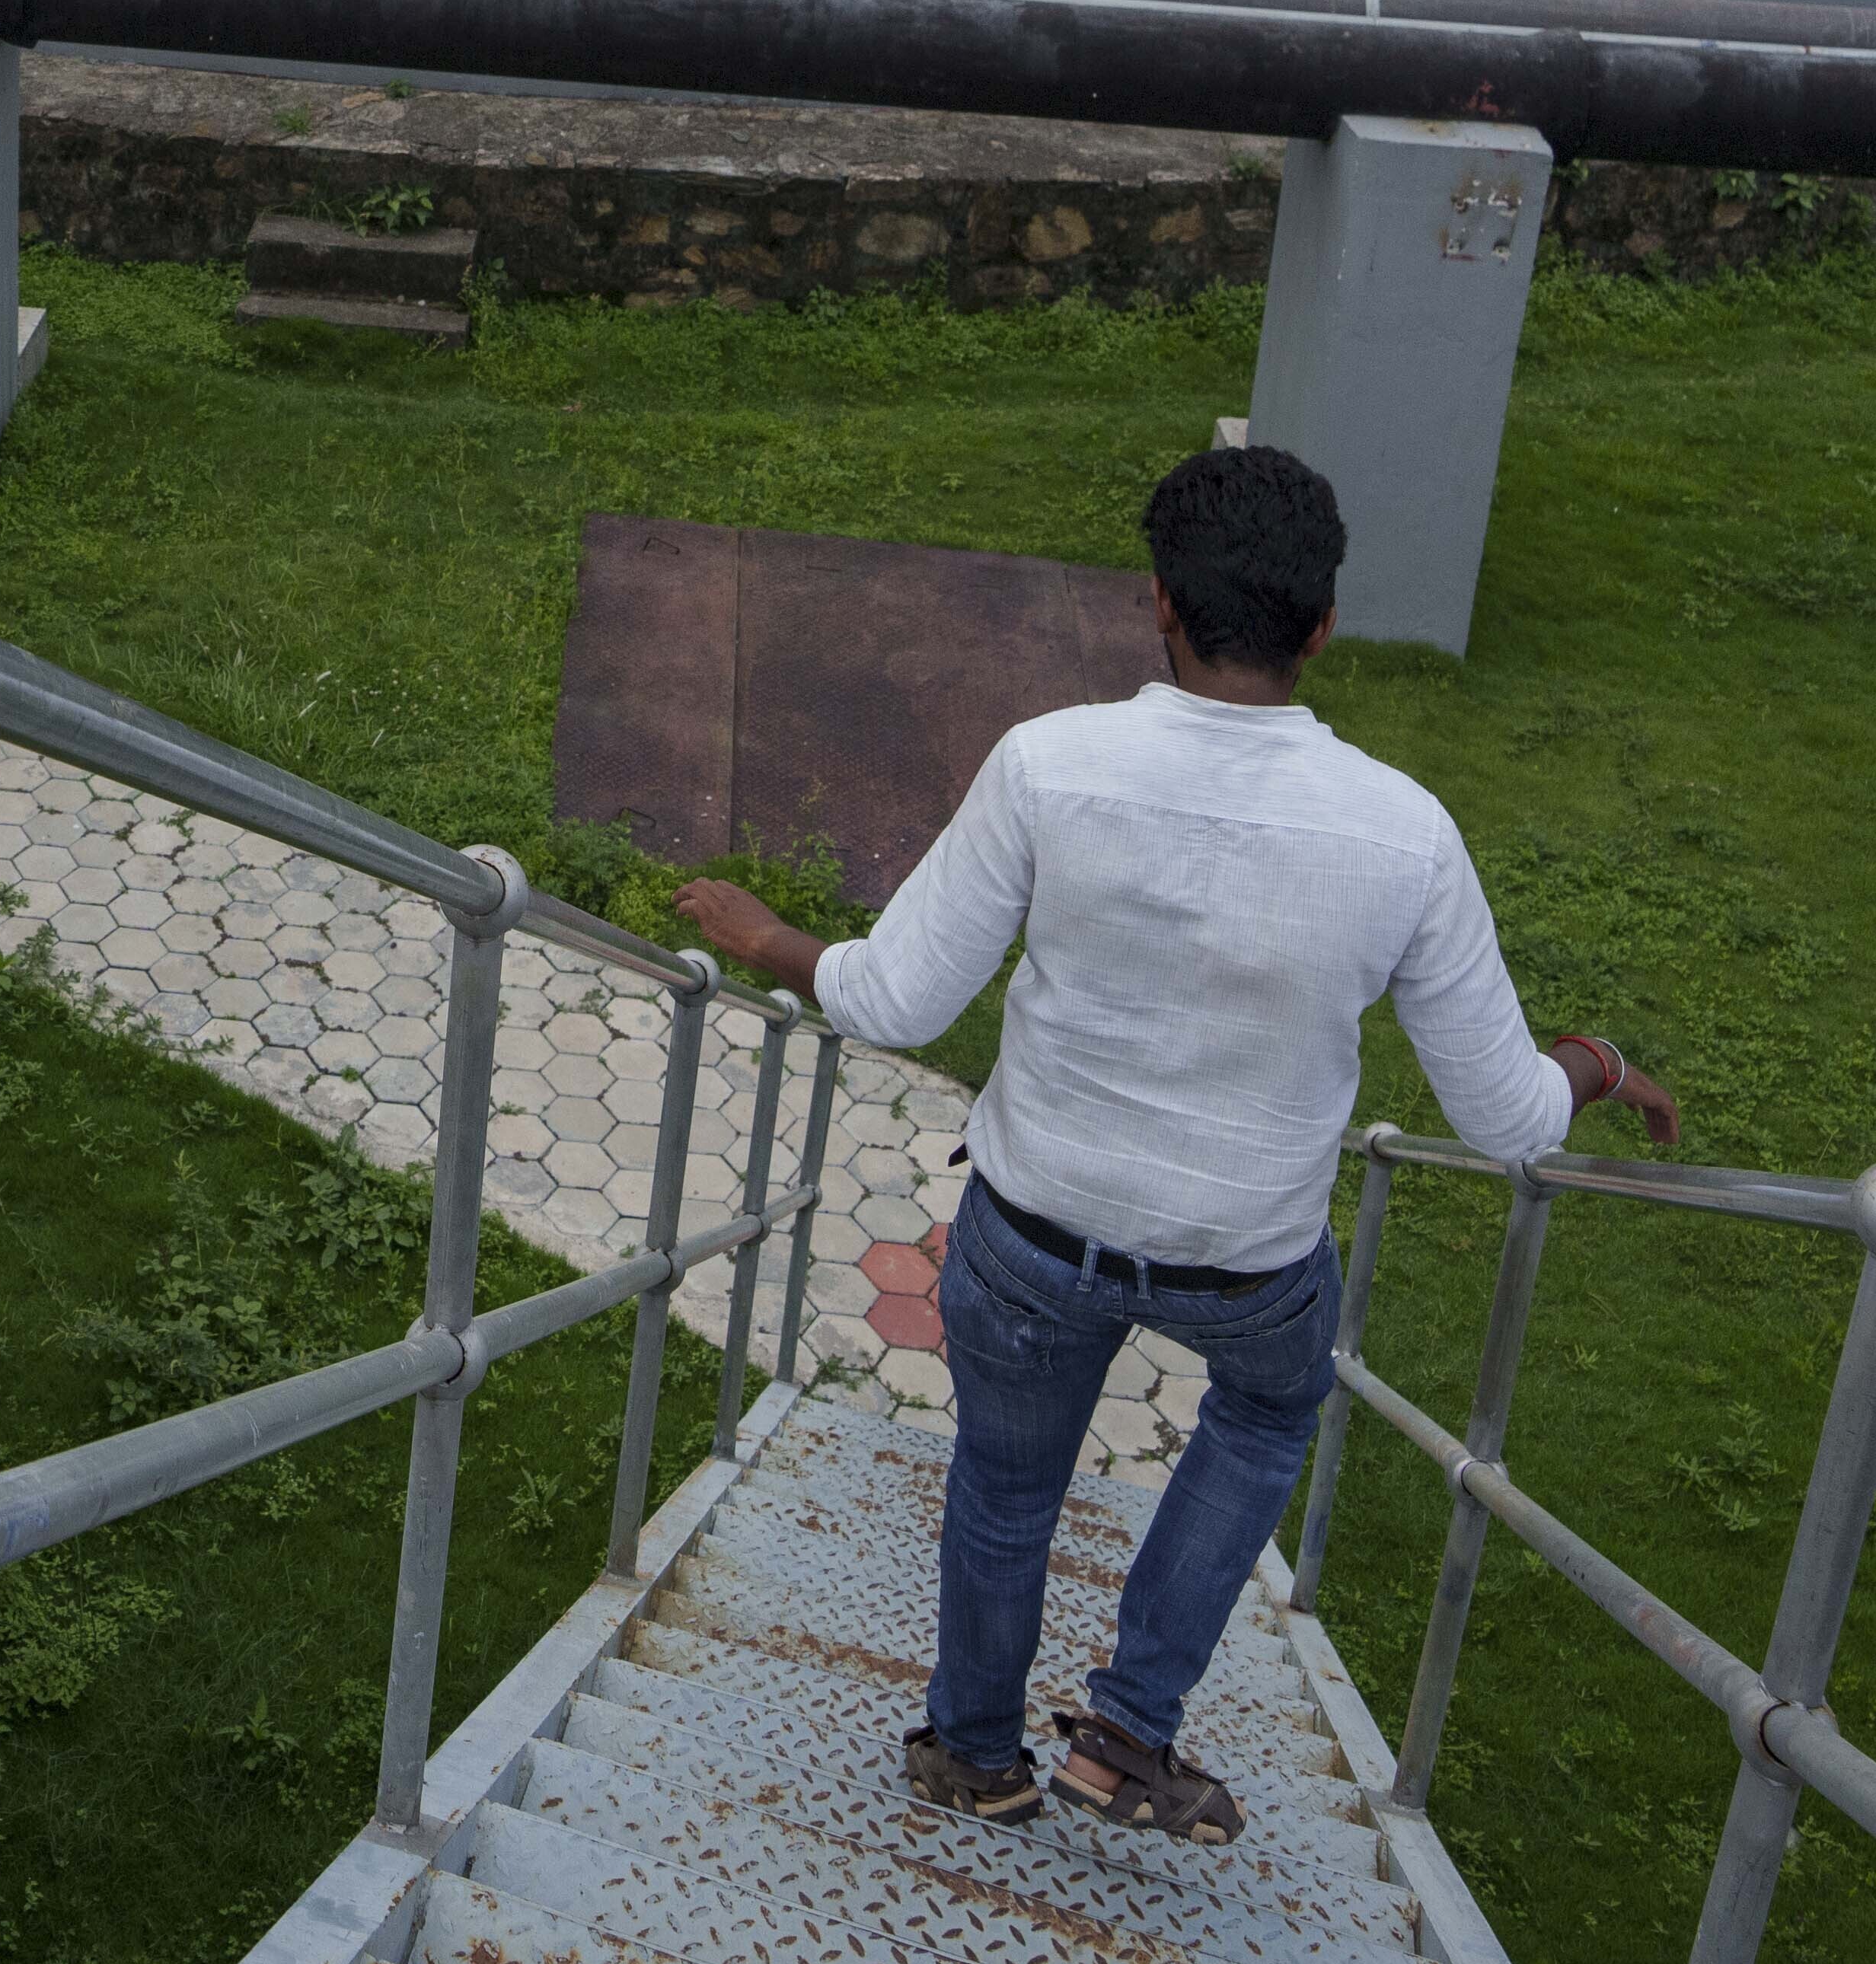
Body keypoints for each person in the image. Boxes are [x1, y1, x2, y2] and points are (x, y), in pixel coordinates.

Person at [672, 441, 1676, 1848]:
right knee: (1267, 1416)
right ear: (1323, 626)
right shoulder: (1406, 836)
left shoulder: (1049, 767)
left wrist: (768, 938)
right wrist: (1602, 1064)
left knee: (1008, 1491)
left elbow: (895, 997)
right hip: (1252, 1263)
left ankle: (975, 1755)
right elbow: (1508, 1120)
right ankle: (1133, 1729)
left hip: (1031, 1234)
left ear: (1158, 602)